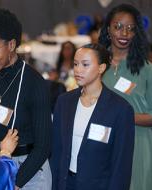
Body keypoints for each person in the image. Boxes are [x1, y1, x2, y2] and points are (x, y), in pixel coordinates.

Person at [0, 9, 52, 189]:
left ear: (11, 45)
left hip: (29, 174)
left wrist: (14, 183)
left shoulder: (34, 83)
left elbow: (43, 146)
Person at [50, 44, 135, 190]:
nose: (78, 70)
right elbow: (56, 151)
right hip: (65, 183)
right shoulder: (64, 101)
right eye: (76, 64)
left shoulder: (120, 109)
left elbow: (121, 165)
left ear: (101, 68)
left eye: (85, 65)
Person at [98, 4, 152, 190]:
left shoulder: (147, 70)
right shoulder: (97, 66)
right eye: (118, 26)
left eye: (131, 28)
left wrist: (124, 117)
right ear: (108, 29)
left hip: (137, 145)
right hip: (101, 143)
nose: (124, 33)